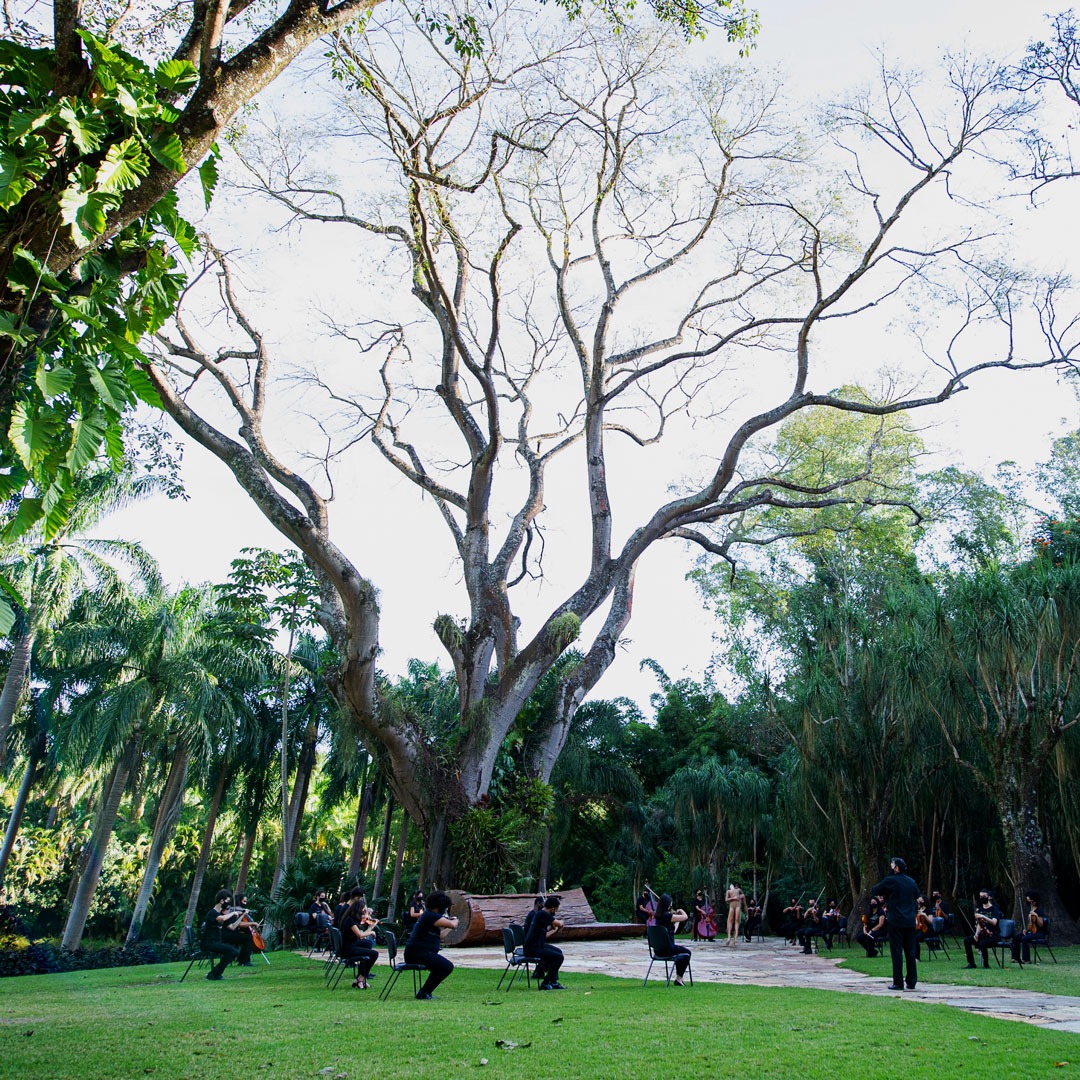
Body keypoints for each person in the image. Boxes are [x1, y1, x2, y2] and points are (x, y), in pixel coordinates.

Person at [871, 856, 922, 991]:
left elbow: (875, 890)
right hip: (910, 921)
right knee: (910, 952)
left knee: (897, 952)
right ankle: (911, 981)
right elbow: (917, 894)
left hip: (896, 921)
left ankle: (898, 982)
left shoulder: (891, 880)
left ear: (896, 868)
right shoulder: (911, 881)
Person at [404, 890, 459, 1000]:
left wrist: (450, 927)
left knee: (442, 966)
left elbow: (441, 936)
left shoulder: (428, 915)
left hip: (418, 953)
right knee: (446, 966)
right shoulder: (431, 916)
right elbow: (453, 924)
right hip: (418, 954)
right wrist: (456, 920)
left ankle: (424, 992)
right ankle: (424, 993)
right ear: (441, 906)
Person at [201, 889, 246, 981]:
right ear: (221, 901)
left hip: (216, 942)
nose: (228, 904)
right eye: (227, 901)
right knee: (232, 951)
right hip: (209, 943)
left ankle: (214, 973)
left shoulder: (219, 913)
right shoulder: (212, 913)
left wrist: (242, 915)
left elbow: (233, 926)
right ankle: (215, 974)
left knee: (233, 951)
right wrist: (233, 913)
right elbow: (221, 918)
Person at [338, 889, 379, 989]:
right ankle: (361, 978)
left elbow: (360, 934)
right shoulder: (349, 920)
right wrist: (371, 931)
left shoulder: (350, 918)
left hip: (350, 944)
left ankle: (361, 978)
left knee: (368, 944)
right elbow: (360, 935)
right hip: (348, 948)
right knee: (374, 954)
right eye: (363, 910)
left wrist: (371, 927)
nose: (364, 913)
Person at [524, 895, 566, 990]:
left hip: (538, 946)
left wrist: (553, 929)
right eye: (556, 910)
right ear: (553, 908)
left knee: (558, 952)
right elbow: (559, 923)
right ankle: (546, 982)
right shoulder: (542, 914)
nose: (555, 912)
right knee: (559, 957)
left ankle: (553, 981)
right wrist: (560, 923)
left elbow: (545, 935)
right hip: (532, 949)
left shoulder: (541, 916)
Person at [653, 893, 692, 986]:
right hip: (668, 950)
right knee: (687, 953)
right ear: (667, 905)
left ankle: (679, 978)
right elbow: (685, 917)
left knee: (681, 952)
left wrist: (675, 918)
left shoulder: (658, 917)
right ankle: (679, 978)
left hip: (658, 951)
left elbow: (673, 930)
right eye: (670, 903)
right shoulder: (667, 916)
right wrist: (681, 911)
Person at [964, 889, 1004, 969]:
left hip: (993, 935)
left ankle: (986, 964)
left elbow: (994, 922)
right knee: (967, 940)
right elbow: (979, 924)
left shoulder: (994, 909)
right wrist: (976, 934)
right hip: (982, 934)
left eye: (984, 896)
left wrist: (983, 917)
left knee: (982, 943)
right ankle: (971, 963)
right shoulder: (980, 909)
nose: (982, 898)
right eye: (980, 896)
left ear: (989, 897)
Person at [223, 892, 256, 967]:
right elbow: (238, 924)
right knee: (248, 938)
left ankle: (242, 960)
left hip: (230, 933)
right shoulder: (228, 912)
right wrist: (251, 923)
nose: (245, 903)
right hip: (226, 934)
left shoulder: (233, 911)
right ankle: (244, 961)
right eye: (244, 901)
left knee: (246, 937)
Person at [1013, 891, 1045, 964]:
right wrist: (1026, 930)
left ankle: (1026, 959)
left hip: (1039, 932)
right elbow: (1031, 924)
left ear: (1034, 901)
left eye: (1030, 901)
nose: (1030, 903)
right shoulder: (1031, 910)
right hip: (1031, 931)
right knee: (1017, 936)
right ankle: (1016, 957)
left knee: (1025, 938)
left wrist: (1036, 916)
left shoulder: (1039, 910)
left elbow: (1041, 924)